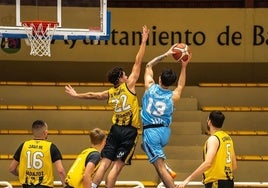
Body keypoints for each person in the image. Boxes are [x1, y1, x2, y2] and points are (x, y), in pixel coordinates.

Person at [64, 25, 149, 188]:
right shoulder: (129, 86)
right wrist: (143, 41)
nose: (127, 75)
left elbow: (92, 95)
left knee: (104, 163)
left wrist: (76, 95)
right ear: (121, 78)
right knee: (116, 168)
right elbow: (138, 61)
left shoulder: (110, 93)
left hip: (115, 130)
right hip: (129, 131)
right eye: (124, 74)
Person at [140, 44, 191, 188]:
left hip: (151, 131)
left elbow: (149, 65)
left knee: (160, 169)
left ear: (159, 78)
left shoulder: (150, 86)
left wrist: (167, 54)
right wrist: (184, 66)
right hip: (164, 132)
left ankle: (168, 177)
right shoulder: (173, 96)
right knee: (145, 147)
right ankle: (166, 168)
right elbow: (181, 85)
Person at [178, 111, 237, 188]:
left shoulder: (213, 139)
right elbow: (234, 165)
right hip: (229, 182)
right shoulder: (228, 138)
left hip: (215, 183)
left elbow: (208, 163)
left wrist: (187, 180)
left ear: (209, 122)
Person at [9, 120, 66, 188]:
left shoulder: (24, 145)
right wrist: (66, 186)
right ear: (45, 132)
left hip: (27, 185)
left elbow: (12, 168)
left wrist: (22, 175)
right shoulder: (50, 147)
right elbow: (60, 171)